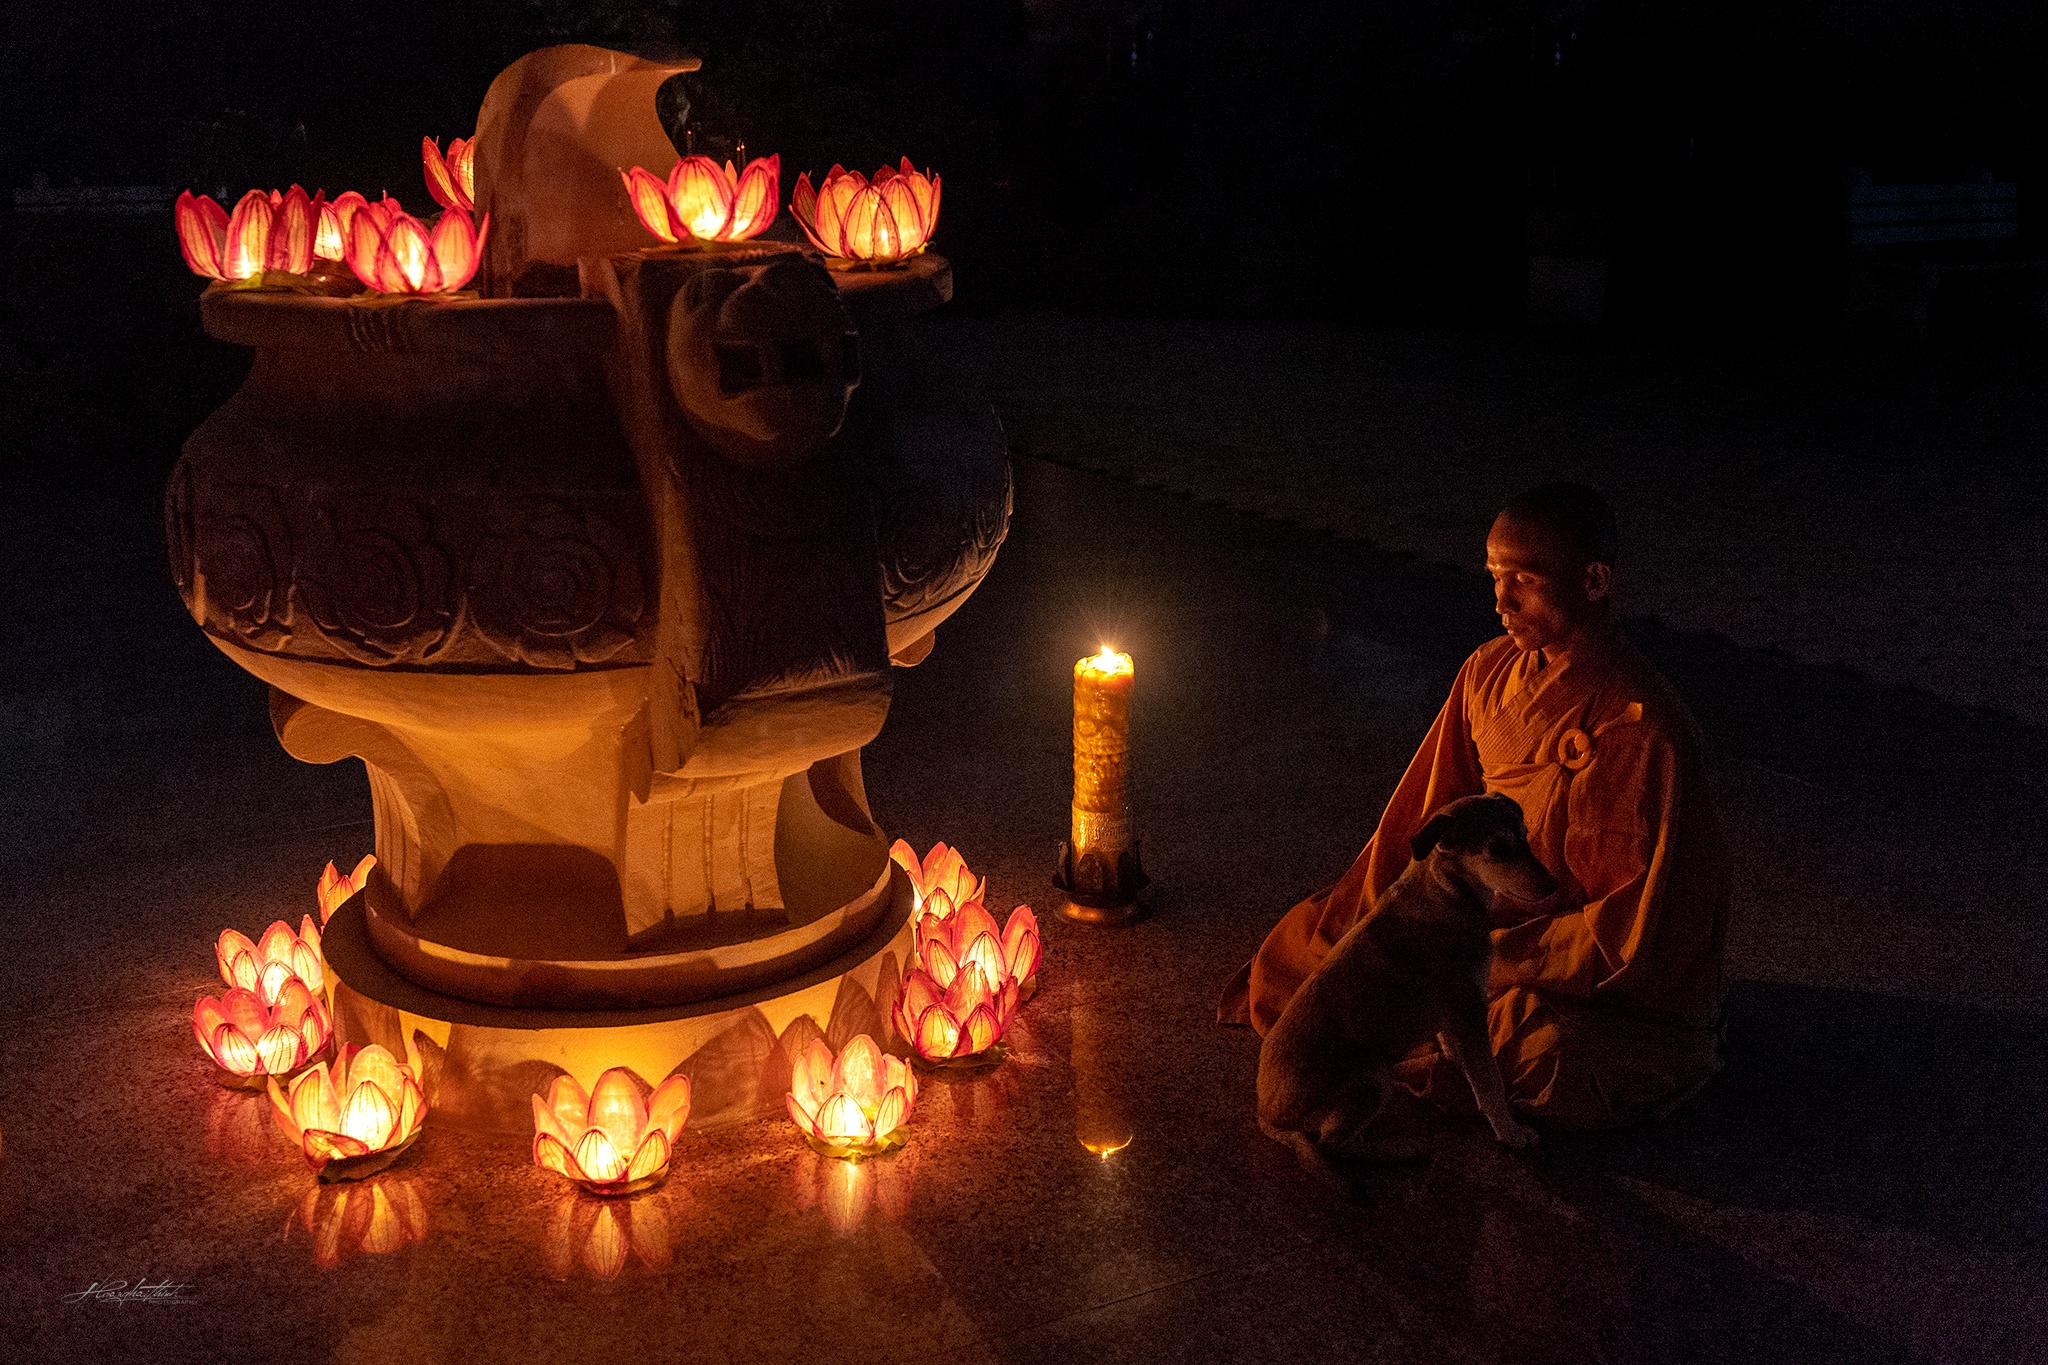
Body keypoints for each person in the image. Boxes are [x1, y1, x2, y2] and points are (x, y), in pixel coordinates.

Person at [1220, 483, 1729, 1129]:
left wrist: (1493, 952)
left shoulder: (1643, 725)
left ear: (1594, 580)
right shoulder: (1488, 671)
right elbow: (1425, 821)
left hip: (1573, 961)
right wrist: (1393, 922)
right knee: (1313, 950)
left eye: (1524, 579)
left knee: (1551, 1059)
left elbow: (1637, 928)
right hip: (1474, 914)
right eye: (1494, 577)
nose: (1501, 601)